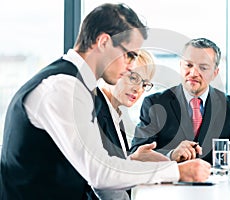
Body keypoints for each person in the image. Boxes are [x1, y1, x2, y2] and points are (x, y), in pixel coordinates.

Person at [0, 4, 211, 200]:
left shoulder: (79, 86)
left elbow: (98, 175)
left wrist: (133, 165)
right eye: (128, 55)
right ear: (103, 42)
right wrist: (177, 171)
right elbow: (99, 173)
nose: (130, 66)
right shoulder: (63, 87)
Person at [131, 38, 230, 167]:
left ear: (215, 73)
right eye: (188, 65)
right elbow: (138, 152)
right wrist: (171, 155)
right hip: (172, 187)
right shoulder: (155, 104)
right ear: (180, 66)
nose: (193, 73)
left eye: (203, 67)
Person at [94, 49, 170, 199]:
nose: (138, 89)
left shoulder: (115, 116)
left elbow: (113, 172)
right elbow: (102, 181)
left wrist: (134, 160)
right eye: (134, 78)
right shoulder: (94, 109)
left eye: (144, 84)